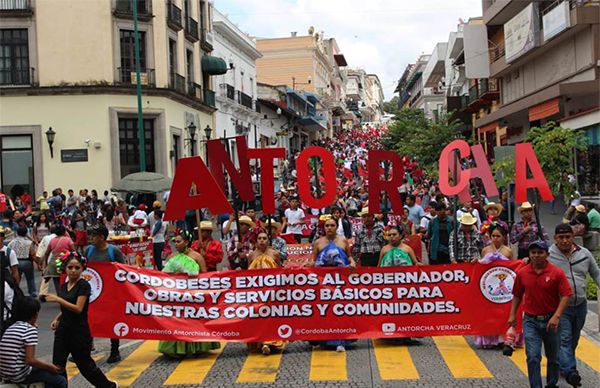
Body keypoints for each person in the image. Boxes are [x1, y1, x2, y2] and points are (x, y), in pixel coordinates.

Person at [44, 251, 117, 387]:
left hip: (79, 332)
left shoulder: (84, 285)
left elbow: (78, 308)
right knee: (58, 365)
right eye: (70, 267)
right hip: (63, 330)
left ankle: (108, 386)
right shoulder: (64, 286)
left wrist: (57, 299)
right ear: (65, 268)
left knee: (86, 366)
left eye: (77, 268)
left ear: (82, 269)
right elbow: (66, 307)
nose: (73, 271)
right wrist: (57, 318)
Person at [508, 240, 572, 388]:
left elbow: (566, 295)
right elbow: (517, 294)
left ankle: (551, 384)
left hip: (551, 321)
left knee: (554, 358)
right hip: (530, 320)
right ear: (529, 254)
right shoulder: (523, 273)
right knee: (533, 357)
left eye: (540, 252)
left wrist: (557, 316)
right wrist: (512, 315)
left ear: (547, 254)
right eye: (533, 253)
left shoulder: (557, 273)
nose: (536, 256)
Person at [547, 223, 600, 387]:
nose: (564, 241)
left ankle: (563, 364)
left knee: (574, 339)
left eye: (567, 237)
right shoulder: (548, 255)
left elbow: (596, 274)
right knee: (565, 339)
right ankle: (571, 372)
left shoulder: (584, 254)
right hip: (561, 307)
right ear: (555, 238)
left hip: (580, 305)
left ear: (573, 237)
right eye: (561, 237)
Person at [158, 230, 219, 357]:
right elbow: (164, 276)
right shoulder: (172, 257)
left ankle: (197, 346)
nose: (176, 244)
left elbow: (205, 275)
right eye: (175, 241)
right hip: (176, 296)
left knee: (193, 321)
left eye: (179, 241)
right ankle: (175, 348)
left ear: (186, 242)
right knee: (176, 321)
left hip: (193, 295)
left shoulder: (197, 257)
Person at [311, 217, 356, 352]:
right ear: (323, 228)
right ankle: (323, 339)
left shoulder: (343, 240)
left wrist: (352, 262)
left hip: (340, 282)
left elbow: (349, 256)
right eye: (327, 225)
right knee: (324, 310)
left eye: (332, 225)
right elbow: (313, 261)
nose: (329, 228)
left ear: (336, 227)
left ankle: (341, 340)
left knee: (340, 310)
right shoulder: (318, 242)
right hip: (323, 283)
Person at [0, 297, 67, 387]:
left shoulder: (12, 327)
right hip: (19, 375)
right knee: (60, 380)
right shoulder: (30, 330)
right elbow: (30, 360)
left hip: (5, 373)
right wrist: (50, 367)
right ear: (35, 315)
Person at [85, 224, 126, 363]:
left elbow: (124, 270)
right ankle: (86, 350)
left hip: (110, 294)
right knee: (89, 320)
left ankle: (115, 351)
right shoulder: (88, 251)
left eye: (93, 236)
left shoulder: (113, 251)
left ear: (102, 237)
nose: (90, 238)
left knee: (111, 321)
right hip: (93, 293)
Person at [247, 231, 286, 355]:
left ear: (268, 240)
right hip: (257, 292)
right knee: (258, 317)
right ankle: (261, 342)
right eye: (260, 238)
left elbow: (280, 270)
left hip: (272, 291)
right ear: (256, 241)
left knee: (272, 316)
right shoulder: (252, 255)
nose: (262, 240)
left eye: (264, 238)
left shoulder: (275, 254)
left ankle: (271, 342)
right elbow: (248, 274)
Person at [475, 225, 512, 349]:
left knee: (503, 312)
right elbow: (481, 268)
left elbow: (513, 268)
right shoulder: (485, 250)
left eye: (498, 236)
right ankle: (489, 339)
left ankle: (503, 338)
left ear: (504, 237)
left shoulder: (508, 251)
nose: (495, 238)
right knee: (489, 313)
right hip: (489, 285)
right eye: (493, 236)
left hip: (503, 285)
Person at [42, 224, 74, 296]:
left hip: (54, 263)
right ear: (64, 231)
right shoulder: (68, 240)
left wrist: (46, 264)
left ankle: (60, 296)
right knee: (67, 280)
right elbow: (74, 252)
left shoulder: (52, 241)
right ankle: (68, 296)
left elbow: (46, 253)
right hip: (66, 263)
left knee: (56, 282)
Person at [8, 226, 36, 297]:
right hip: (27, 261)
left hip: (16, 262)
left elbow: (8, 252)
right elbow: (32, 254)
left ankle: (15, 292)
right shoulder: (29, 242)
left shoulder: (12, 242)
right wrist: (38, 263)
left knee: (16, 278)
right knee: (30, 278)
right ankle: (32, 292)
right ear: (26, 233)